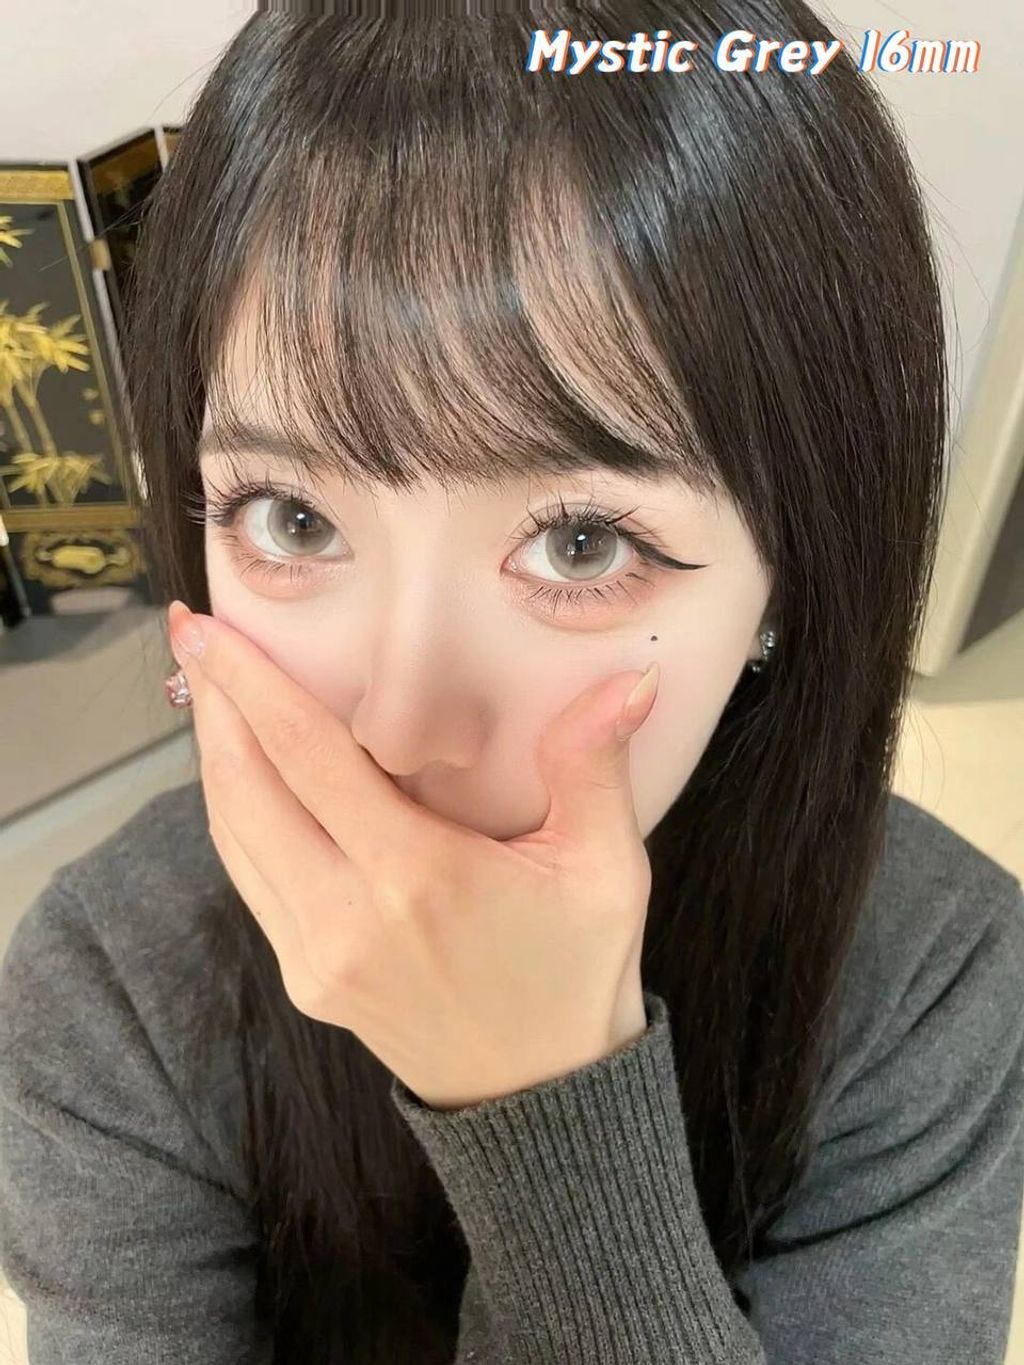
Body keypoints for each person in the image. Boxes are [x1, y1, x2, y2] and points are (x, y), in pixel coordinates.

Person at [2, 6, 1023, 1364]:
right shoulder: (109, 984)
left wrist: (544, 1109)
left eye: (581, 543)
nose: (398, 728)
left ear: (789, 577)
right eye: (291, 518)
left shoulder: (936, 976)